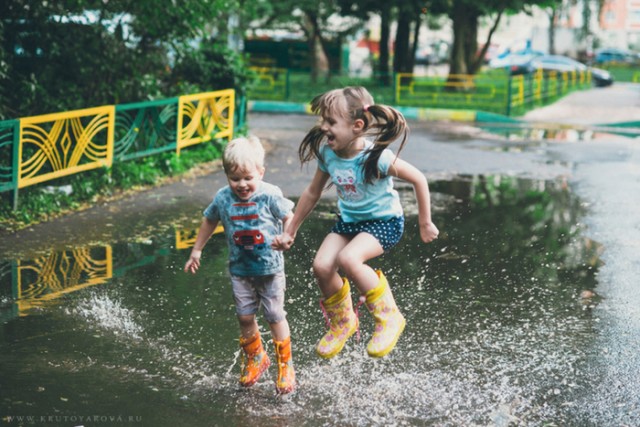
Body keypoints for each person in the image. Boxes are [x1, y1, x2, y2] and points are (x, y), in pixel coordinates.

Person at [272, 86, 439, 359]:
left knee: (350, 259)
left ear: (357, 126)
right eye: (323, 120)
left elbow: (419, 178)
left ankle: (389, 317)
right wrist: (290, 230)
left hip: (383, 223)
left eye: (331, 122)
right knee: (322, 265)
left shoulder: (376, 157)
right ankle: (343, 322)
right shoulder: (328, 155)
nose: (323, 127)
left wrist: (425, 223)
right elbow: (312, 192)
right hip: (349, 223)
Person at [184, 136, 296, 394]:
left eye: (248, 178)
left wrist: (287, 236)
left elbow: (289, 216)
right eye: (235, 179)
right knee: (245, 316)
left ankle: (285, 365)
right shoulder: (223, 198)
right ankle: (257, 358)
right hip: (240, 269)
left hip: (270, 269)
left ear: (261, 172)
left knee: (274, 316)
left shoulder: (269, 194)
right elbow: (209, 219)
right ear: (226, 176)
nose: (242, 185)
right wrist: (197, 250)